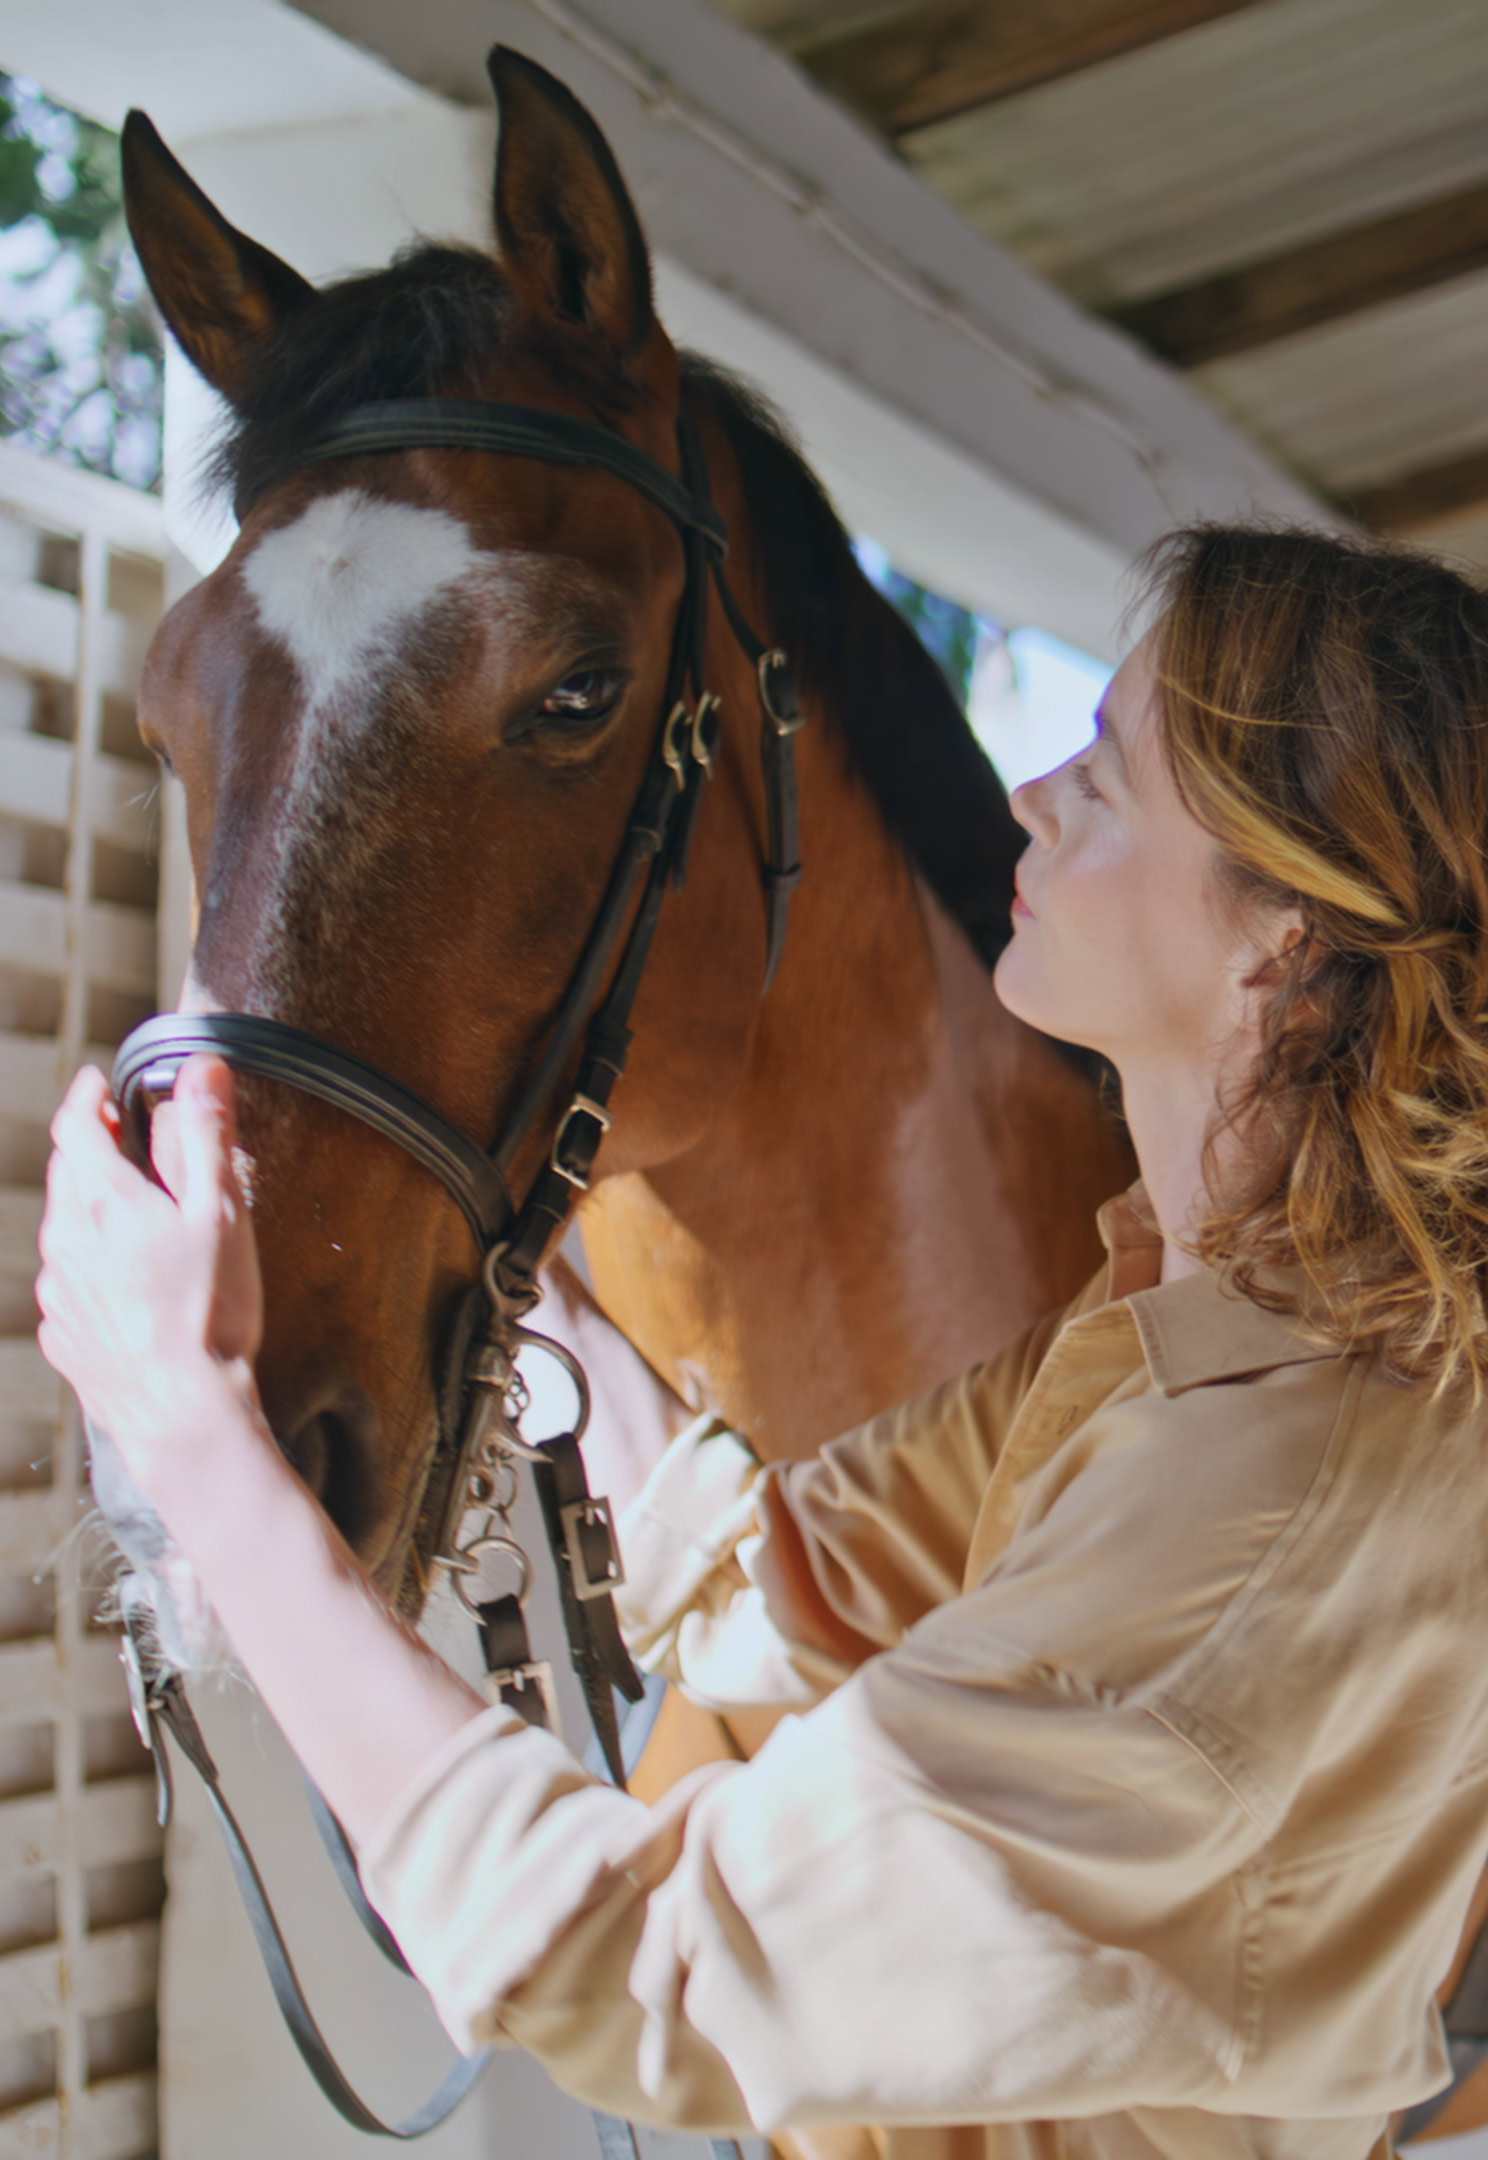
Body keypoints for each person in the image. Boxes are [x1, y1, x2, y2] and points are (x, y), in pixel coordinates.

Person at [36, 524, 1488, 2160]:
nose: (1028, 796)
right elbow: (776, 1571)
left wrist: (196, 1443)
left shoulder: (1262, 1508)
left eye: (1106, 773)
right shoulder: (1208, 1320)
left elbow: (656, 1972)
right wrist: (513, 1251)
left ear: (1283, 928)